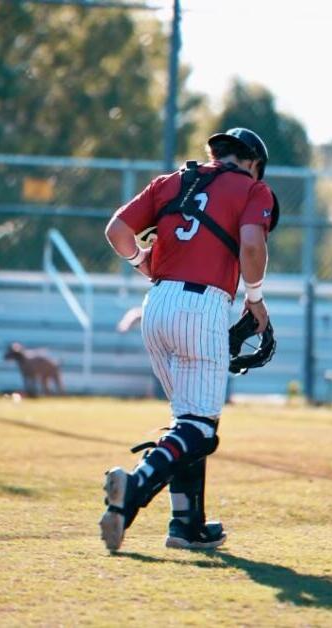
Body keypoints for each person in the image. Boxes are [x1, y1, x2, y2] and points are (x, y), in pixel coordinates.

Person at [99, 128, 276, 551]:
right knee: (200, 429)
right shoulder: (255, 188)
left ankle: (186, 524)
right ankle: (136, 484)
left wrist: (143, 261)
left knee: (189, 422)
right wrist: (255, 299)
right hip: (202, 305)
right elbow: (251, 243)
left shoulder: (172, 181)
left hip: (155, 304)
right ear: (253, 162)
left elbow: (116, 231)